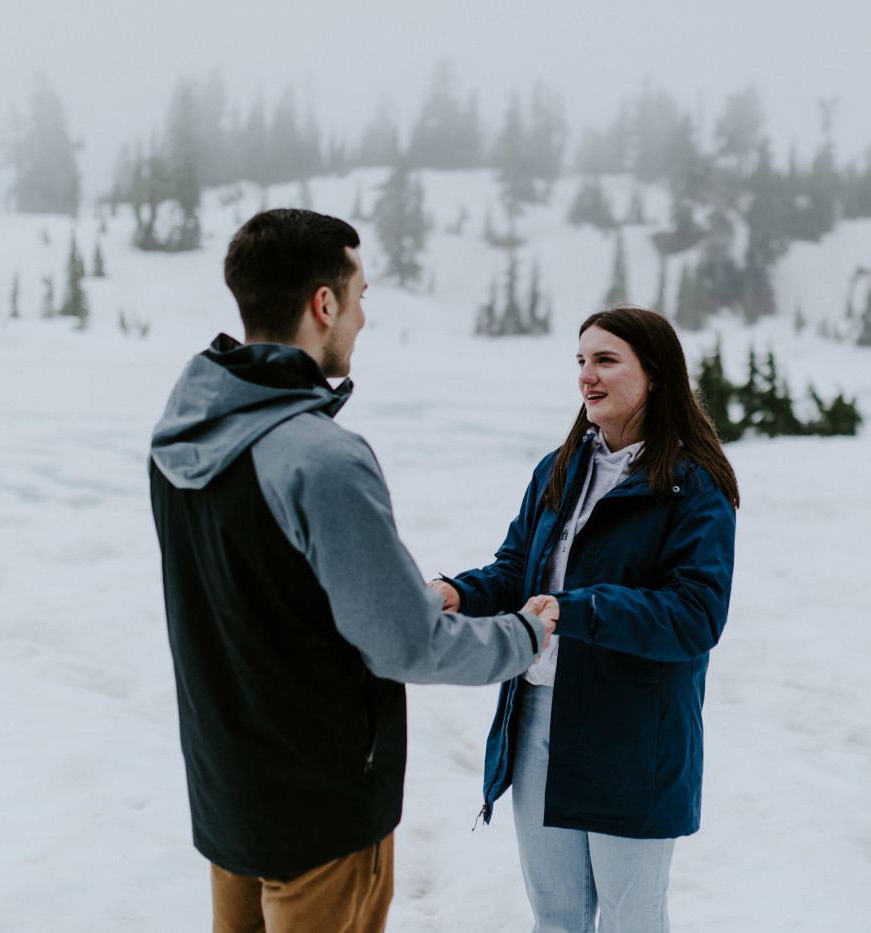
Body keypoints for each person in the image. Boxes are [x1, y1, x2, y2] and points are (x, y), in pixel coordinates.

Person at [148, 208, 556, 933]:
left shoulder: (180, 438)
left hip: (229, 792)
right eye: (361, 294)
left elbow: (259, 597)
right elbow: (406, 645)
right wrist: (523, 635)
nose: (364, 317)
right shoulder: (319, 457)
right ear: (323, 303)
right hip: (321, 812)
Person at [431, 305, 739, 933]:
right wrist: (455, 593)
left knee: (633, 919)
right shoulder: (559, 468)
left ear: (654, 374)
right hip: (539, 718)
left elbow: (694, 614)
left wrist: (578, 610)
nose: (586, 377)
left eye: (605, 361)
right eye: (580, 361)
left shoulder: (693, 485)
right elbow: (518, 570)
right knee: (558, 916)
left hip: (632, 733)